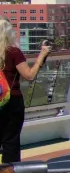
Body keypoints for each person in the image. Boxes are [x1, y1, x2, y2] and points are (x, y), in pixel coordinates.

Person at [0, 22, 52, 165]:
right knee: (10, 141)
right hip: (11, 101)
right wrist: (42, 55)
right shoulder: (13, 52)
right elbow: (29, 75)